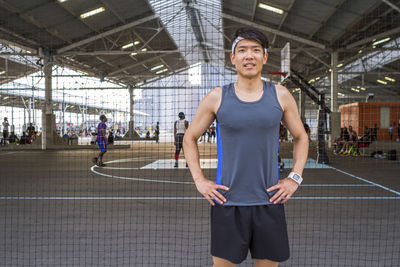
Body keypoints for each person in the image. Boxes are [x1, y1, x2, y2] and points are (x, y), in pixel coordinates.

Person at [183, 27, 309, 267]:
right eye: (242, 50)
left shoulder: (280, 95)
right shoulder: (217, 97)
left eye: (255, 50)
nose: (248, 56)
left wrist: (294, 178)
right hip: (227, 203)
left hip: (269, 202)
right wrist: (199, 180)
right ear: (233, 58)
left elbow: (301, 137)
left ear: (264, 57)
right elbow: (189, 138)